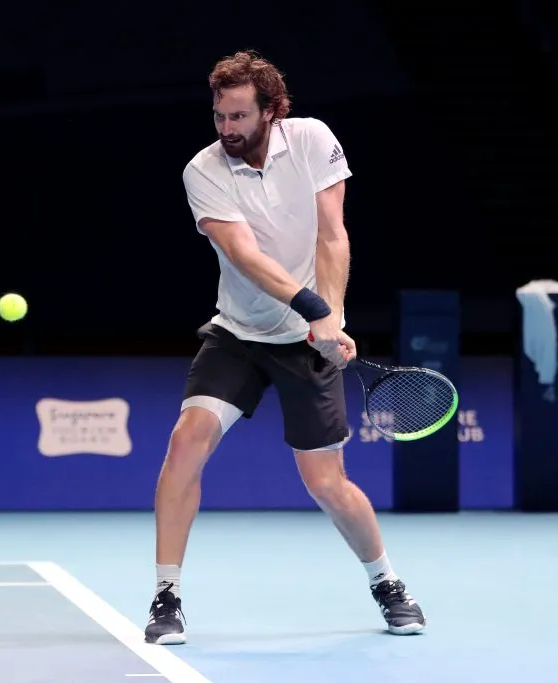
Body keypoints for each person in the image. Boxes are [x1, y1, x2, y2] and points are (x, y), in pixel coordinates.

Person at [143, 50, 428, 645]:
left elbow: (332, 234)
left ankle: (387, 582)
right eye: (220, 116)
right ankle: (166, 595)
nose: (227, 129)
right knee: (185, 442)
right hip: (238, 335)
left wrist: (330, 321)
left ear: (272, 111)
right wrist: (317, 310)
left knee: (325, 482)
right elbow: (245, 258)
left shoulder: (313, 140)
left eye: (240, 116)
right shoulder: (204, 170)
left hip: (306, 341)